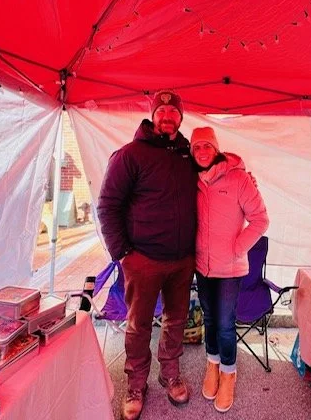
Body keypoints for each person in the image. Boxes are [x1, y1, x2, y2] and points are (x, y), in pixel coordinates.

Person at [97, 90, 197, 420]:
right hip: (143, 260)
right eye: (162, 111)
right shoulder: (130, 155)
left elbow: (213, 172)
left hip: (182, 260)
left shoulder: (187, 154)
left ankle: (170, 375)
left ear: (181, 118)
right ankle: (136, 384)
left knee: (176, 321)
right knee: (138, 326)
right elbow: (108, 206)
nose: (168, 116)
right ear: (152, 116)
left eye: (173, 111)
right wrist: (123, 254)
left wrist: (235, 166)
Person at [190, 126, 269, 413]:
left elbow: (260, 219)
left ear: (216, 149)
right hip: (203, 265)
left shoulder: (238, 178)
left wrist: (238, 247)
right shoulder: (192, 180)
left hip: (230, 268)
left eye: (206, 146)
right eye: (196, 147)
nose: (201, 152)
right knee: (209, 320)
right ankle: (212, 366)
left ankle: (228, 373)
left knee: (225, 324)